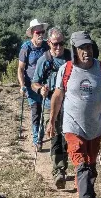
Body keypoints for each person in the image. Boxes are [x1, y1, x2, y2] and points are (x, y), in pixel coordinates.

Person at [45, 31, 101, 198]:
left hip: (95, 127)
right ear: (74, 50)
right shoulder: (66, 69)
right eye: (81, 48)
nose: (86, 52)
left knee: (90, 168)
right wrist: (52, 121)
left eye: (88, 47)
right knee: (82, 164)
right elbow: (58, 96)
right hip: (72, 126)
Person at [30, 27, 73, 188]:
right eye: (55, 44)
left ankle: (69, 165)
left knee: (68, 137)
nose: (58, 47)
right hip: (50, 104)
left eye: (61, 43)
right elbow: (34, 82)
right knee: (55, 136)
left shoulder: (71, 57)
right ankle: (59, 170)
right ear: (49, 43)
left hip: (70, 105)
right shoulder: (44, 60)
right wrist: (40, 88)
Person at [16, 19, 52, 150]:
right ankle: (37, 139)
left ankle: (42, 134)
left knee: (45, 111)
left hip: (45, 85)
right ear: (32, 33)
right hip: (31, 86)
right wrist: (22, 85)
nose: (41, 34)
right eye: (38, 32)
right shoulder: (26, 47)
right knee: (36, 112)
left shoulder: (47, 47)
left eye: (42, 32)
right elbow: (20, 68)